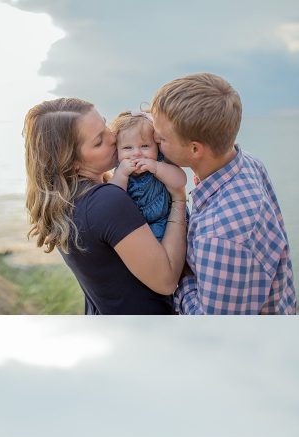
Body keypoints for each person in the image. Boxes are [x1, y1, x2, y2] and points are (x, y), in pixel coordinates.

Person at [24, 97, 187, 314]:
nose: (113, 138)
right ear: (72, 162)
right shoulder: (108, 201)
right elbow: (166, 281)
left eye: (106, 126)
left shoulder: (66, 202)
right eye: (99, 141)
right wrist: (178, 199)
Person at [150, 73, 296, 314]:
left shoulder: (220, 237)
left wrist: (182, 275)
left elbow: (212, 328)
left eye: (162, 137)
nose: (154, 139)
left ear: (195, 148)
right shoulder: (249, 164)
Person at [108, 111, 188, 240]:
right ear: (117, 151)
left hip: (167, 222)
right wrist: (122, 174)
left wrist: (156, 167)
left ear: (156, 147)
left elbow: (181, 181)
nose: (137, 153)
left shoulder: (160, 163)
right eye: (128, 148)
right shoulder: (119, 171)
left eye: (145, 146)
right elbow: (113, 197)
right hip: (139, 230)